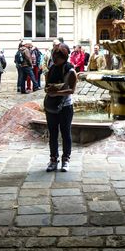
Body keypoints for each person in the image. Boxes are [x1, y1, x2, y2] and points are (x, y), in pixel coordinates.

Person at [44, 42, 77, 172]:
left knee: (65, 133)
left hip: (65, 106)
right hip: (51, 106)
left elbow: (72, 90)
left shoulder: (70, 70)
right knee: (53, 133)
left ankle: (66, 159)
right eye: (53, 57)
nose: (54, 59)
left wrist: (56, 92)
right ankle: (53, 159)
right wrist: (49, 89)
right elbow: (46, 86)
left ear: (64, 57)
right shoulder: (52, 69)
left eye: (57, 57)